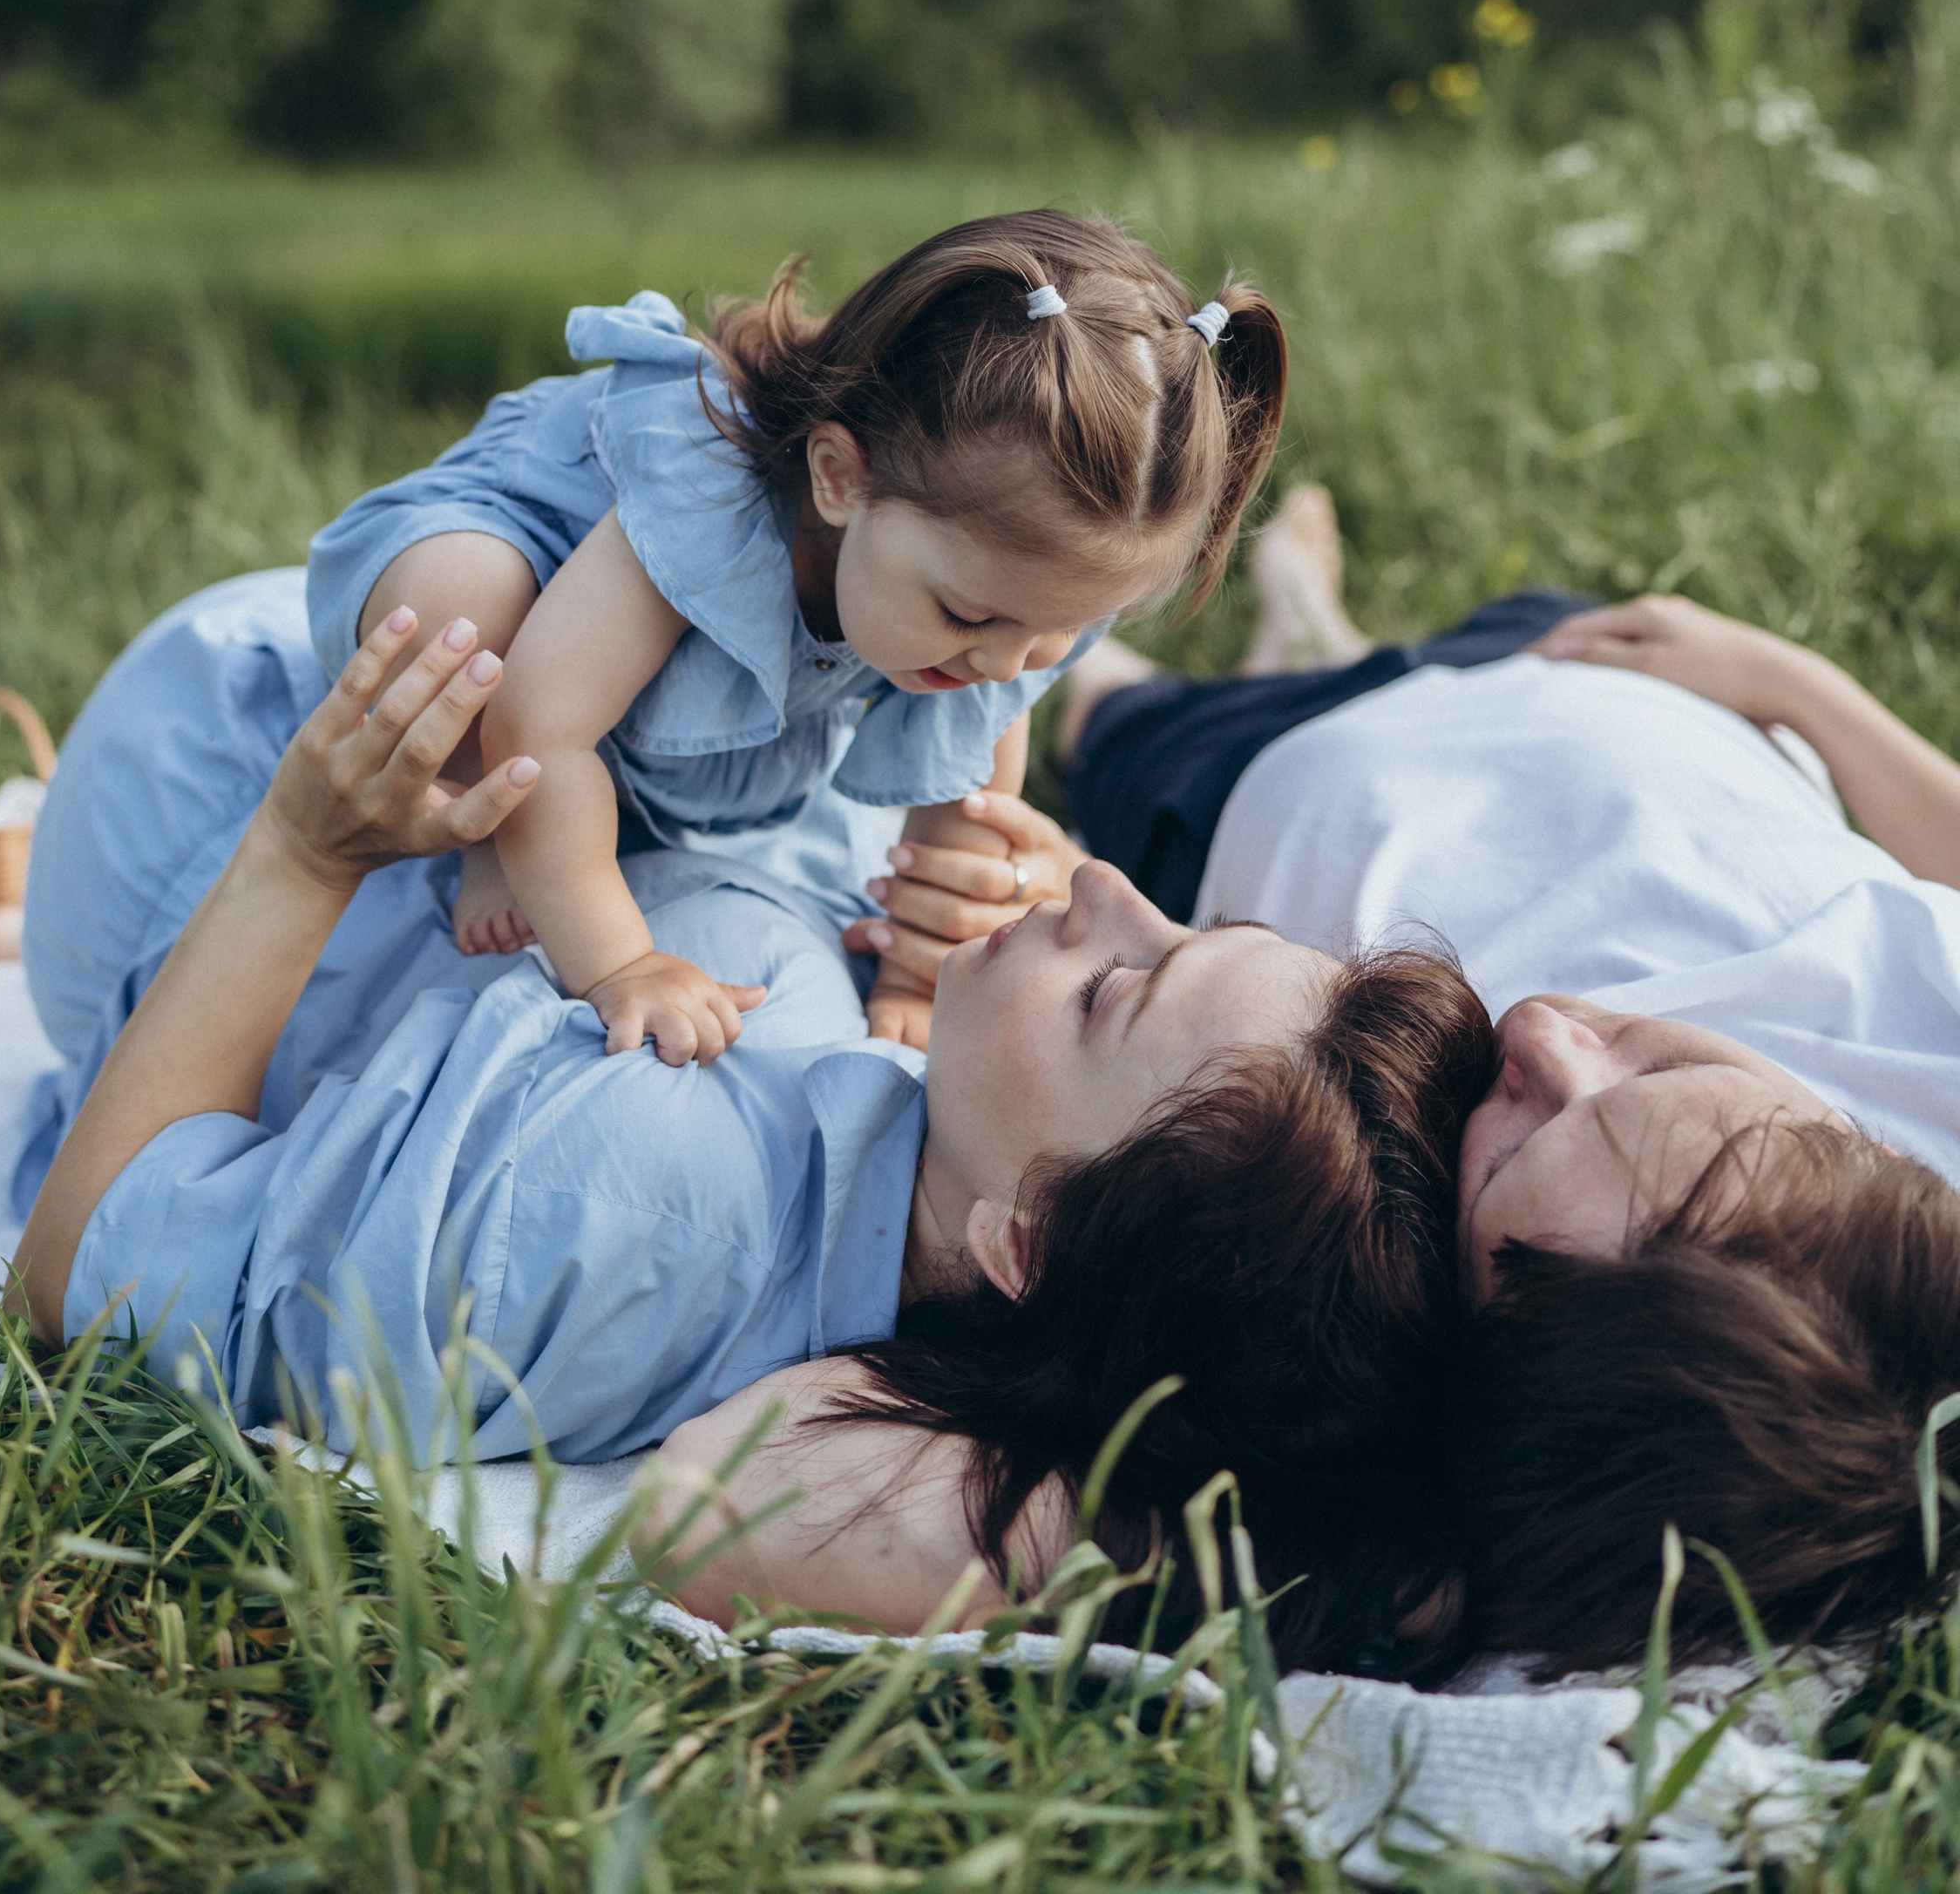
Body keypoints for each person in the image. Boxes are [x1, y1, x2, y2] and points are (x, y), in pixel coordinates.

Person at [10, 595, 1495, 1670]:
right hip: (460, 752)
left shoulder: (617, 1217)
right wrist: (908, 969)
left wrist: (300, 845)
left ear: (1024, 1238)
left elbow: (82, 1270)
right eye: (1176, 920)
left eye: (1119, 985)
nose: (1099, 883)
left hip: (208, 793)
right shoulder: (904, 1152)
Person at [824, 492, 1960, 1668]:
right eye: (1654, 1057)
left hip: (1229, 803)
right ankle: (1310, 631)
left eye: (1510, 1144)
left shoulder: (1439, 1363)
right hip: (1592, 678)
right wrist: (1794, 687)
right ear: (1882, 1151)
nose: (1540, 1033)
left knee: (1106, 702)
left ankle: (1268, 659)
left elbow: (759, 1491)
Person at [296, 216, 1285, 1062]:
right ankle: (487, 825)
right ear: (839, 480)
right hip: (525, 583)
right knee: (465, 619)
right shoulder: (706, 499)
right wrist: (620, 964)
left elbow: (967, 797)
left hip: (626, 698)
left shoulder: (1001, 594)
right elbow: (539, 725)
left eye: (1058, 634)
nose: (1001, 663)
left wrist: (911, 977)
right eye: (971, 619)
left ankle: (581, 826)